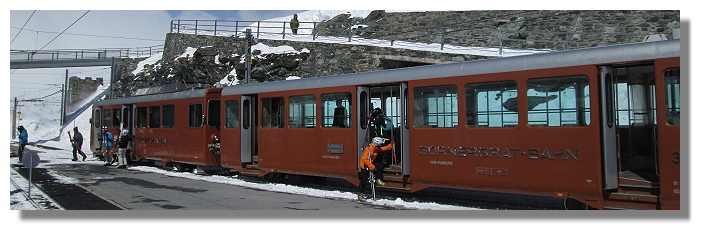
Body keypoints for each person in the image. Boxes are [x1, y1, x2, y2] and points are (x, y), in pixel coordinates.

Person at [357, 137, 393, 202]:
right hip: (365, 166)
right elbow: (364, 159)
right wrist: (372, 167)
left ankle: (379, 180)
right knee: (364, 180)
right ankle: (360, 194)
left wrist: (390, 146)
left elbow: (382, 149)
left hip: (371, 162)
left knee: (379, 166)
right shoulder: (369, 149)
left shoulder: (375, 148)